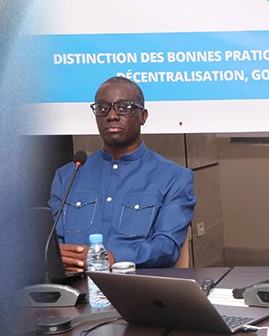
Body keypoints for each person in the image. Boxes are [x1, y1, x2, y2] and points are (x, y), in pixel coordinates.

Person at [48, 76, 196, 270]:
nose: (111, 116)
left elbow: (166, 247)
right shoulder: (69, 175)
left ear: (143, 116)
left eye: (123, 107)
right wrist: (63, 260)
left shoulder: (174, 178)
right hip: (73, 283)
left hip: (137, 283)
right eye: (103, 108)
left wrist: (111, 258)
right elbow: (51, 243)